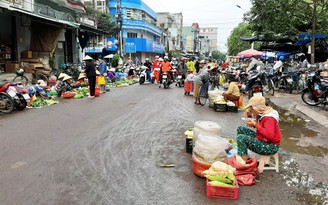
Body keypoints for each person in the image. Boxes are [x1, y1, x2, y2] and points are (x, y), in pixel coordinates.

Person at [236, 96, 282, 161]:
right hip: (263, 140)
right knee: (241, 129)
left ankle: (244, 163)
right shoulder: (265, 111)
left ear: (257, 108)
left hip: (270, 147)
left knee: (240, 138)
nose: (251, 111)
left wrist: (255, 124)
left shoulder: (268, 118)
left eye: (252, 109)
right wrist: (249, 114)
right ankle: (244, 154)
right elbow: (263, 128)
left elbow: (270, 136)